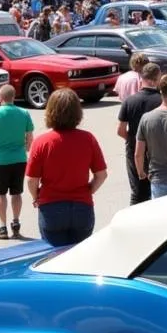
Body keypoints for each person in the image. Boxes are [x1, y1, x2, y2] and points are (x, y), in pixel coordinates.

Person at [26, 89, 107, 245]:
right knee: (81, 257)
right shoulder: (88, 139)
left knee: (54, 258)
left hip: (51, 207)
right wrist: (88, 191)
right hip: (82, 207)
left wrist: (36, 197)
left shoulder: (42, 142)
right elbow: (101, 174)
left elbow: (31, 180)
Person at [0, 83, 34, 239]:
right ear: (13, 97)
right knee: (16, 193)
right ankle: (16, 222)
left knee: (0, 194)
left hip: (1, 160)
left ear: (0, 98)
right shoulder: (24, 113)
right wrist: (25, 148)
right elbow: (30, 137)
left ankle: (3, 226)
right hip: (19, 158)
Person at [117, 61, 162, 204]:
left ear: (142, 78)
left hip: (134, 150)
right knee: (158, 193)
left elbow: (120, 130)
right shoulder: (161, 100)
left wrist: (132, 139)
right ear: (157, 78)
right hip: (157, 151)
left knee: (137, 193)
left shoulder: (129, 101)